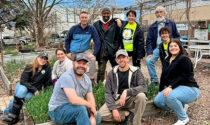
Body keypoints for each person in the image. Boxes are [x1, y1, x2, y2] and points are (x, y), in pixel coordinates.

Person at [154, 39, 200, 125]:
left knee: (169, 96)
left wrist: (171, 87)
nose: (173, 48)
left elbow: (184, 76)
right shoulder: (167, 60)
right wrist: (160, 90)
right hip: (175, 88)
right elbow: (163, 76)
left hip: (189, 87)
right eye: (171, 46)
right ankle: (181, 106)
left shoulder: (184, 59)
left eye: (175, 46)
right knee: (158, 102)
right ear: (168, 48)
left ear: (179, 47)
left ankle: (183, 118)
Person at [48, 53, 101, 125]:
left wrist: (92, 114)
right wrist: (90, 106)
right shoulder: (67, 77)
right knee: (80, 109)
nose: (81, 66)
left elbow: (90, 98)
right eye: (78, 63)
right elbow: (74, 100)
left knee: (97, 116)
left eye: (84, 63)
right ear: (73, 63)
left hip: (74, 108)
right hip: (57, 110)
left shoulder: (87, 79)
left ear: (87, 65)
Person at [2, 52, 53, 124]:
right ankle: (14, 116)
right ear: (37, 57)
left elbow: (48, 82)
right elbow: (23, 81)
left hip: (32, 91)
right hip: (24, 86)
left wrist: (45, 92)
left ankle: (7, 112)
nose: (43, 60)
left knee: (25, 98)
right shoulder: (30, 66)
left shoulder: (47, 68)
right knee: (22, 91)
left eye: (45, 59)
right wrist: (34, 89)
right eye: (42, 58)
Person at [99, 49, 147, 125]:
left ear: (128, 58)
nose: (121, 60)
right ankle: (126, 114)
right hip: (116, 100)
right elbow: (108, 93)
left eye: (123, 57)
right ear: (116, 60)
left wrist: (127, 92)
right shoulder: (111, 73)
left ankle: (136, 122)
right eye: (119, 58)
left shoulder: (136, 71)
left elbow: (143, 87)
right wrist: (113, 109)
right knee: (99, 116)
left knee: (141, 96)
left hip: (130, 99)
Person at [146, 6, 180, 84]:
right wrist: (150, 52)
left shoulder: (171, 23)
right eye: (157, 12)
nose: (159, 14)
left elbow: (177, 36)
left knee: (170, 62)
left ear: (164, 13)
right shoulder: (152, 27)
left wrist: (175, 45)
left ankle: (174, 80)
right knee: (148, 61)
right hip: (158, 48)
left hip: (170, 47)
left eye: (161, 12)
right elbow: (149, 40)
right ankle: (154, 80)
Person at [65, 11, 101, 86]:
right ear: (80, 19)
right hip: (73, 51)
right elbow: (67, 40)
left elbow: (97, 41)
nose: (84, 19)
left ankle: (92, 79)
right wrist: (68, 52)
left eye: (86, 17)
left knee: (92, 59)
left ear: (88, 18)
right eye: (82, 17)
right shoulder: (74, 28)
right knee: (71, 65)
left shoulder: (91, 28)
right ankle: (71, 81)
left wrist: (94, 54)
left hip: (84, 51)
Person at [93, 7, 121, 83]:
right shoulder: (96, 24)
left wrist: (115, 47)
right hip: (102, 51)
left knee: (116, 69)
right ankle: (100, 87)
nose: (106, 15)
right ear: (102, 14)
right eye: (104, 13)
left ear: (110, 14)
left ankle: (117, 84)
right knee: (101, 70)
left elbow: (118, 37)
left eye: (107, 13)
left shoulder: (115, 23)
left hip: (112, 51)